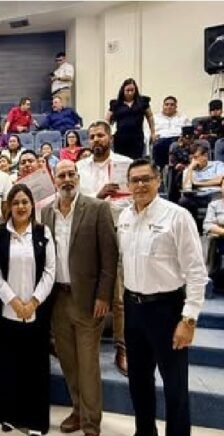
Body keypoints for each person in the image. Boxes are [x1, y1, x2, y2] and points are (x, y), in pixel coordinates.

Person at [115, 159, 207, 436]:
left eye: (145, 179)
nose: (139, 185)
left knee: (175, 388)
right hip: (134, 306)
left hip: (167, 309)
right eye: (134, 180)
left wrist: (189, 318)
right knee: (138, 379)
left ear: (157, 180)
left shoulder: (176, 217)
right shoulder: (126, 216)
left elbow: (196, 272)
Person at [41, 159, 118, 436]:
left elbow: (110, 258)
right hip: (57, 299)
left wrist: (104, 296)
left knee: (88, 365)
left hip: (87, 300)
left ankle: (92, 429)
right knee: (69, 362)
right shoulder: (46, 213)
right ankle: (77, 409)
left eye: (71, 174)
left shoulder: (96, 209)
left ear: (78, 177)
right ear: (55, 180)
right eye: (61, 175)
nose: (67, 179)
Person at [0, 184, 55, 436]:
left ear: (32, 205)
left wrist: (33, 302)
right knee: (9, 365)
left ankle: (35, 420)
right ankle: (9, 415)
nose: (20, 207)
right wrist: (14, 301)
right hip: (8, 312)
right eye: (15, 202)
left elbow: (51, 270)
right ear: (9, 206)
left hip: (35, 313)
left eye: (25, 202)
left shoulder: (42, 232)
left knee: (36, 367)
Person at [78, 120, 133, 375]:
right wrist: (98, 196)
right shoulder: (80, 168)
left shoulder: (125, 164)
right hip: (89, 236)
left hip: (118, 231)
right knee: (88, 293)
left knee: (119, 297)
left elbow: (134, 200)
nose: (96, 140)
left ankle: (123, 347)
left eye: (100, 135)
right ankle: (89, 346)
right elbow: (76, 203)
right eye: (92, 136)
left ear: (109, 137)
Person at [106, 78, 156, 160]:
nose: (130, 93)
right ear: (123, 90)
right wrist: (108, 134)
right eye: (127, 90)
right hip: (120, 137)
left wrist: (153, 132)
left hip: (137, 137)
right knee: (121, 161)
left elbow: (150, 117)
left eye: (132, 90)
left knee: (136, 160)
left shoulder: (142, 101)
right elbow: (107, 120)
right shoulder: (115, 103)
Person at [152, 96, 190, 169]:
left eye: (172, 105)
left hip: (178, 140)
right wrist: (152, 136)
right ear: (163, 106)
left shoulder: (183, 117)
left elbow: (189, 132)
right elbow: (147, 131)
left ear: (176, 107)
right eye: (166, 104)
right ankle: (160, 170)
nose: (169, 107)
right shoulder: (155, 118)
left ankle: (175, 168)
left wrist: (185, 138)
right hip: (161, 140)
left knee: (176, 145)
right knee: (159, 144)